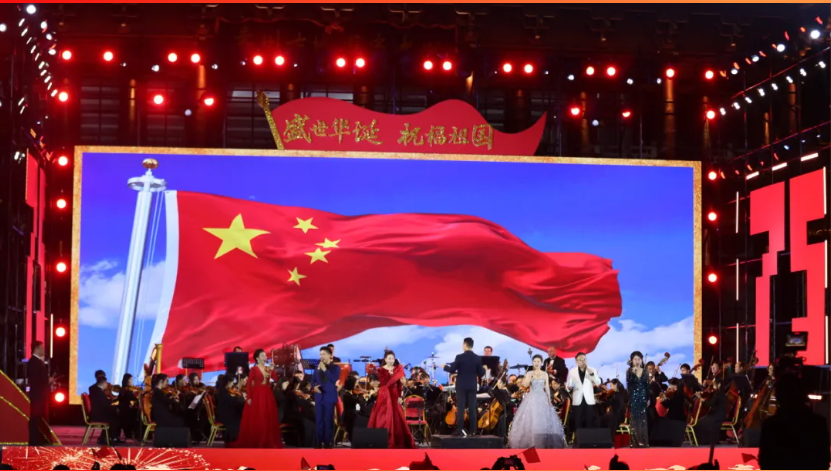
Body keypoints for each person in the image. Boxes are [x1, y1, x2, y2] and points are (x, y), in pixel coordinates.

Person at [759, 372, 830, 470]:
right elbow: (824, 460)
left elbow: (765, 461)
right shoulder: (818, 423)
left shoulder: (770, 425)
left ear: (779, 397)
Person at [508, 355, 565, 449]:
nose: (536, 363)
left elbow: (547, 387)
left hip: (542, 397)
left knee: (543, 420)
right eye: (535, 361)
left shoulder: (545, 374)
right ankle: (531, 442)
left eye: (538, 361)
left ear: (541, 362)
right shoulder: (529, 373)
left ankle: (542, 442)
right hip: (531, 397)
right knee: (531, 419)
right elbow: (525, 385)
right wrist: (529, 377)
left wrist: (549, 399)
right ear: (532, 362)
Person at [234, 349, 283, 448]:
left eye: (265, 355)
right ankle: (257, 439)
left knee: (267, 416)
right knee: (258, 416)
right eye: (262, 356)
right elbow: (249, 383)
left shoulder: (268, 368)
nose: (265, 357)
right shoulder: (254, 369)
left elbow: (275, 378)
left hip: (267, 394)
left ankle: (267, 439)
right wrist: (249, 397)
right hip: (257, 394)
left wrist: (273, 369)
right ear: (257, 358)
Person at [368, 350, 416, 448]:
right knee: (382, 415)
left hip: (394, 394)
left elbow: (399, 385)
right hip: (384, 394)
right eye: (389, 358)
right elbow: (383, 383)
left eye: (393, 358)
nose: (391, 360)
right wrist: (389, 374)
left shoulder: (398, 369)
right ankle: (381, 439)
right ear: (385, 359)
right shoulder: (381, 370)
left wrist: (400, 396)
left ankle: (397, 440)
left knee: (396, 415)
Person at [443, 337, 485, 436]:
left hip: (461, 385)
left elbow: (452, 369)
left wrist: (444, 367)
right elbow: (481, 373)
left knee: (461, 407)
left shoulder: (459, 357)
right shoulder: (477, 358)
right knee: (472, 408)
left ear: (465, 344)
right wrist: (483, 368)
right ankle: (473, 430)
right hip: (472, 385)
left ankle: (460, 430)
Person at [311, 346, 340, 448]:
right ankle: (318, 443)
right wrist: (314, 387)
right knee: (319, 421)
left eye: (323, 354)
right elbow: (313, 380)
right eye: (320, 354)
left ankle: (328, 443)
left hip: (329, 397)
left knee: (328, 421)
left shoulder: (336, 368)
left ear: (329, 355)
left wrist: (324, 370)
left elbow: (334, 379)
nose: (321, 356)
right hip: (319, 397)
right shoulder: (317, 368)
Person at [27, 341, 53, 445]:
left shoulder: (38, 362)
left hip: (40, 395)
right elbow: (36, 379)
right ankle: (34, 440)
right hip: (37, 395)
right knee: (35, 418)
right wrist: (47, 380)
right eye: (42, 348)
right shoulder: (33, 362)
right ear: (37, 348)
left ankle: (41, 439)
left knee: (39, 417)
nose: (43, 350)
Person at [567, 352, 601, 429]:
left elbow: (598, 383)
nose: (583, 361)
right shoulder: (572, 371)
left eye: (584, 359)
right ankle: (578, 436)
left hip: (589, 400)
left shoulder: (592, 370)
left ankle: (589, 436)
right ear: (576, 361)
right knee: (578, 423)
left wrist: (592, 374)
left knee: (589, 423)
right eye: (581, 359)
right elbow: (568, 385)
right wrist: (569, 388)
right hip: (577, 400)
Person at [88, 370, 122, 444]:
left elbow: (104, 403)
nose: (107, 384)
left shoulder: (99, 391)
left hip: (99, 412)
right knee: (115, 419)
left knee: (115, 417)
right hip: (98, 415)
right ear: (103, 383)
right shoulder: (97, 391)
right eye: (106, 383)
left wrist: (112, 402)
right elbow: (104, 405)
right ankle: (108, 438)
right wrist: (114, 406)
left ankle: (107, 438)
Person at [626, 351, 649, 447]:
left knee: (642, 419)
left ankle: (643, 441)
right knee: (635, 419)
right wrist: (633, 373)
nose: (637, 361)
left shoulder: (645, 371)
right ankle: (635, 442)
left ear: (641, 360)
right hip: (634, 397)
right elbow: (629, 384)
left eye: (639, 359)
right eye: (635, 359)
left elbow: (647, 385)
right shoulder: (629, 371)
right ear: (632, 360)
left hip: (643, 396)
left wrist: (648, 398)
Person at [215, 375, 245, 445]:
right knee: (237, 417)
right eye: (232, 382)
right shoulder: (223, 392)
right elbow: (232, 400)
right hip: (223, 415)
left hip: (225, 412)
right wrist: (241, 397)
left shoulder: (224, 391)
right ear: (228, 382)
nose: (233, 384)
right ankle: (234, 437)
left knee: (238, 413)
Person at [118, 374, 140, 441]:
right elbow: (132, 400)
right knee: (138, 413)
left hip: (125, 410)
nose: (132, 381)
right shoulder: (126, 390)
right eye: (131, 379)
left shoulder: (124, 389)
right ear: (127, 380)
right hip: (126, 411)